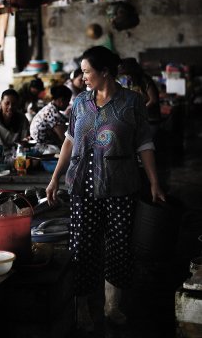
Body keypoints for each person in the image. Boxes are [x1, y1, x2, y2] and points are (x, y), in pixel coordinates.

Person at [46, 46, 165, 336]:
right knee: (81, 249)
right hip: (81, 186)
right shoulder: (80, 103)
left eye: (87, 71)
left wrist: (154, 181)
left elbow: (144, 143)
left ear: (105, 72)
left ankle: (112, 305)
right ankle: (83, 307)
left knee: (119, 245)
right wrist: (55, 178)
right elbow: (70, 141)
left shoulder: (132, 102)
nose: (83, 77)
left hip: (120, 185)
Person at [117, 57, 161, 124]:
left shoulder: (145, 80)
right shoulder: (130, 81)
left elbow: (153, 100)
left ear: (133, 71)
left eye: (128, 74)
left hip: (150, 118)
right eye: (125, 75)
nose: (127, 77)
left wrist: (140, 110)